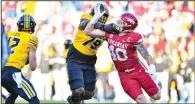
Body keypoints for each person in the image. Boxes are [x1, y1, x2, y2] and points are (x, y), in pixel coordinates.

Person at [83, 5, 162, 103]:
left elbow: (147, 55)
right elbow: (88, 31)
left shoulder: (134, 37)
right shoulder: (110, 33)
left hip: (137, 69)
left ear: (127, 27)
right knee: (140, 99)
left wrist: (152, 68)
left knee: (157, 96)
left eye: (121, 22)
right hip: (123, 73)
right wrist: (95, 18)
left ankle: (157, 83)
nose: (118, 23)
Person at [66, 3, 121, 104]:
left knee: (89, 94)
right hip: (76, 56)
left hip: (89, 60)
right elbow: (84, 24)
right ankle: (74, 99)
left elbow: (117, 41)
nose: (102, 18)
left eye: (104, 16)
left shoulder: (105, 30)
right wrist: (103, 26)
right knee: (78, 90)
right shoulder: (86, 17)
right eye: (101, 15)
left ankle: (76, 99)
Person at [2, 14, 40, 104]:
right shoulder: (32, 38)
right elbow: (33, 66)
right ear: (32, 26)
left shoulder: (9, 34)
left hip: (2, 71)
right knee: (34, 99)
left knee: (14, 93)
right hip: (14, 73)